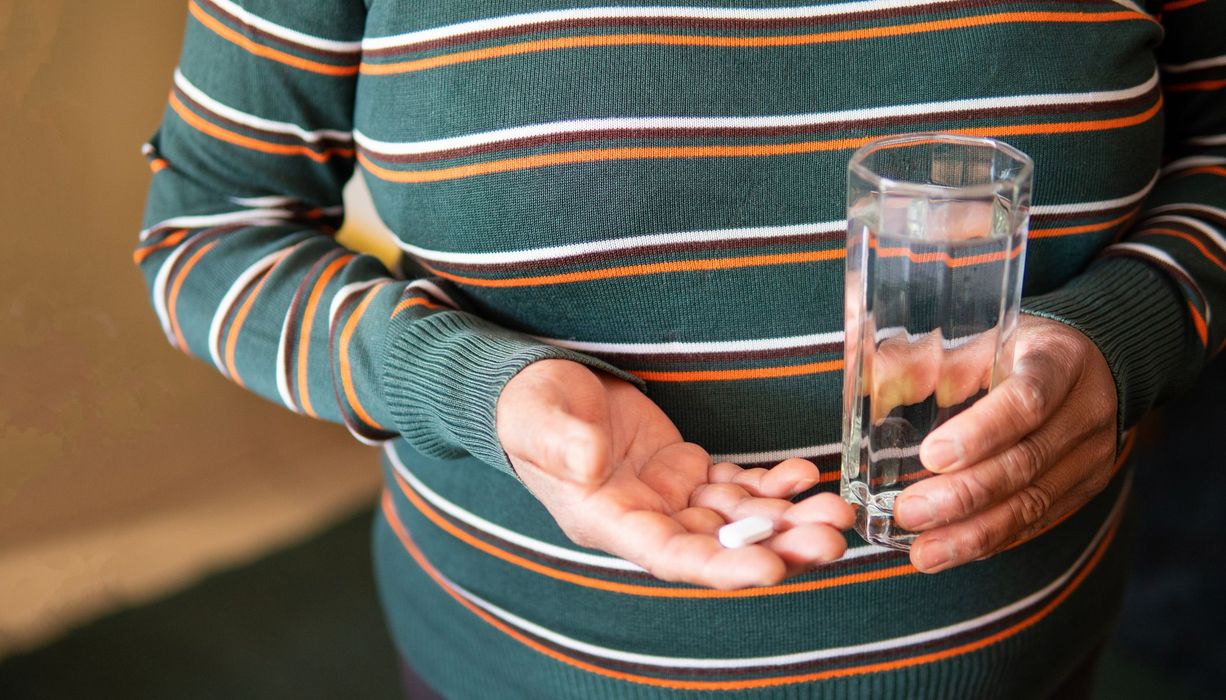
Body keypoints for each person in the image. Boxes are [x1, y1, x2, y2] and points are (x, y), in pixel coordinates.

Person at [133, 0, 1224, 697]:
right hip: (518, 670)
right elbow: (207, 228)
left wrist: (1129, 333)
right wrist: (469, 384)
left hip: (1022, 659)